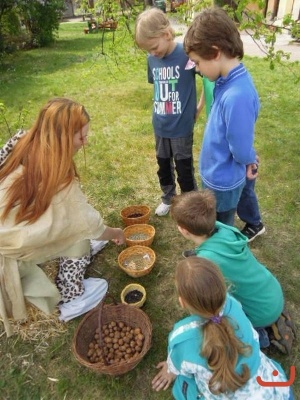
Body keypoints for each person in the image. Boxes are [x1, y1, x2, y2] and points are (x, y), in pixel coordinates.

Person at [0, 97, 125, 336]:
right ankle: (68, 300)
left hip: (9, 228)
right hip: (10, 245)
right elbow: (90, 224)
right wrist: (116, 233)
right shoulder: (60, 179)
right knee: (86, 256)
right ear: (62, 137)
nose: (86, 141)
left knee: (80, 235)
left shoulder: (21, 139)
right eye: (81, 136)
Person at [170, 190, 296, 353]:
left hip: (261, 313)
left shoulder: (207, 263)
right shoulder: (223, 229)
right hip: (272, 291)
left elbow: (212, 304)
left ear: (183, 230)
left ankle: (262, 338)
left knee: (224, 326)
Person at [152, 257, 293, 399]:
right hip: (275, 391)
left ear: (181, 302)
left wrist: (170, 370)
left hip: (222, 393)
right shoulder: (233, 304)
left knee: (183, 385)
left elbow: (179, 365)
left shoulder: (182, 338)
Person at [183, 7, 265, 240]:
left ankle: (217, 263)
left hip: (223, 182)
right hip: (215, 175)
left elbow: (239, 146)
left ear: (215, 52)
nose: (197, 69)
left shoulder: (237, 94)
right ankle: (212, 253)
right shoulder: (226, 81)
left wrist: (248, 157)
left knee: (221, 227)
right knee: (213, 223)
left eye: (197, 62)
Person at [135, 8, 202, 217]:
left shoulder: (186, 55)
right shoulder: (151, 59)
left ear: (166, 34)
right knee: (163, 165)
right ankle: (168, 197)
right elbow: (157, 85)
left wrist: (199, 108)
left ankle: (191, 202)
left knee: (184, 168)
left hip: (182, 126)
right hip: (160, 125)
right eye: (148, 50)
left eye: (154, 47)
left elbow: (210, 79)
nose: (153, 52)